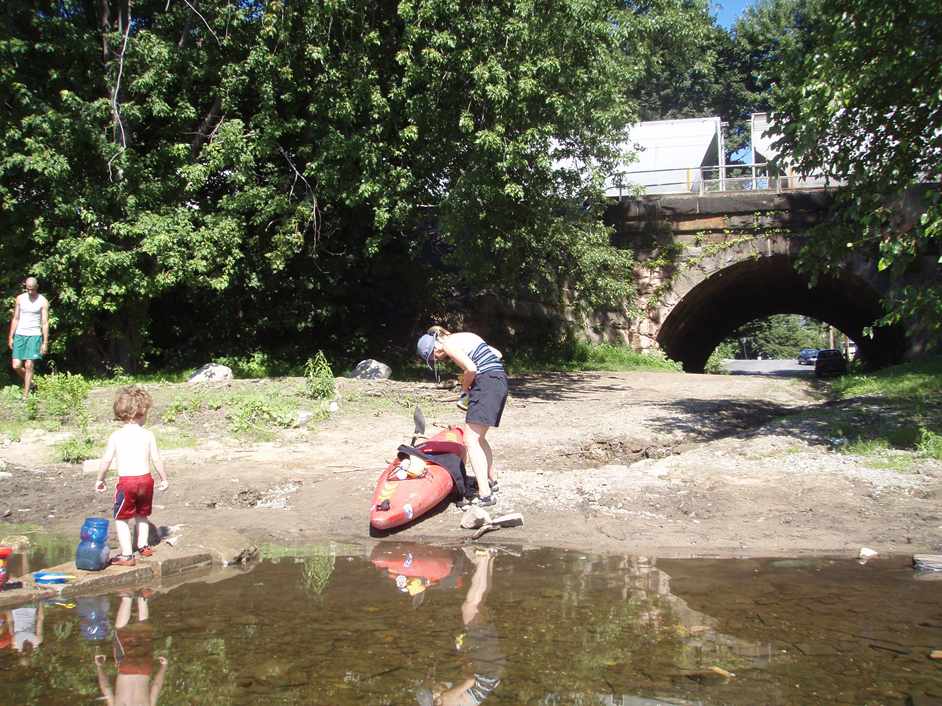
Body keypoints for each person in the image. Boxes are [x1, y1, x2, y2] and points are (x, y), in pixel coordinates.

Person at [416, 326, 507, 507]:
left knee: (470, 440)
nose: (437, 360)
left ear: (435, 346)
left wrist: (465, 387)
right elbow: (496, 354)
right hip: (499, 381)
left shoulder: (448, 343)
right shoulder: (466, 336)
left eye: (433, 357)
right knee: (479, 438)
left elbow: (471, 368)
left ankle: (485, 495)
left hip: (487, 384)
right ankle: (491, 481)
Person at [416, 547, 504, 706]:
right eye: (432, 686)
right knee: (469, 608)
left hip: (491, 668)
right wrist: (465, 654)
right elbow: (470, 680)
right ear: (435, 698)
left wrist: (466, 656)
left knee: (479, 606)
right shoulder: (445, 700)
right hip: (485, 664)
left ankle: (489, 558)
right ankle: (485, 558)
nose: (436, 683)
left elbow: (474, 685)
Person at [94, 387, 169, 567]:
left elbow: (106, 460)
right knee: (141, 515)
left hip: (127, 483)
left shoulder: (117, 436)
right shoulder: (148, 434)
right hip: (146, 480)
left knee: (121, 519)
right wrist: (164, 478)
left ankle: (127, 555)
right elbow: (156, 458)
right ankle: (143, 546)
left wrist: (100, 478)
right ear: (140, 413)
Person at [95, 590, 168, 706]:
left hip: (145, 669)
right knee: (120, 632)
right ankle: (127, 598)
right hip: (126, 669)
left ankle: (143, 598)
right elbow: (107, 688)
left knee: (144, 635)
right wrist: (99, 667)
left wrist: (164, 666)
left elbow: (156, 686)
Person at [8, 277, 49, 400]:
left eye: (32, 289)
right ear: (25, 287)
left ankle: (25, 396)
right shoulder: (20, 299)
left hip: (35, 335)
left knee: (29, 364)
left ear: (36, 287)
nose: (30, 291)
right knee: (16, 365)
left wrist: (45, 342)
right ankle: (31, 383)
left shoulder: (43, 301)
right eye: (28, 289)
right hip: (20, 334)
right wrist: (11, 336)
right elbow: (16, 318)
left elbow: (45, 322)